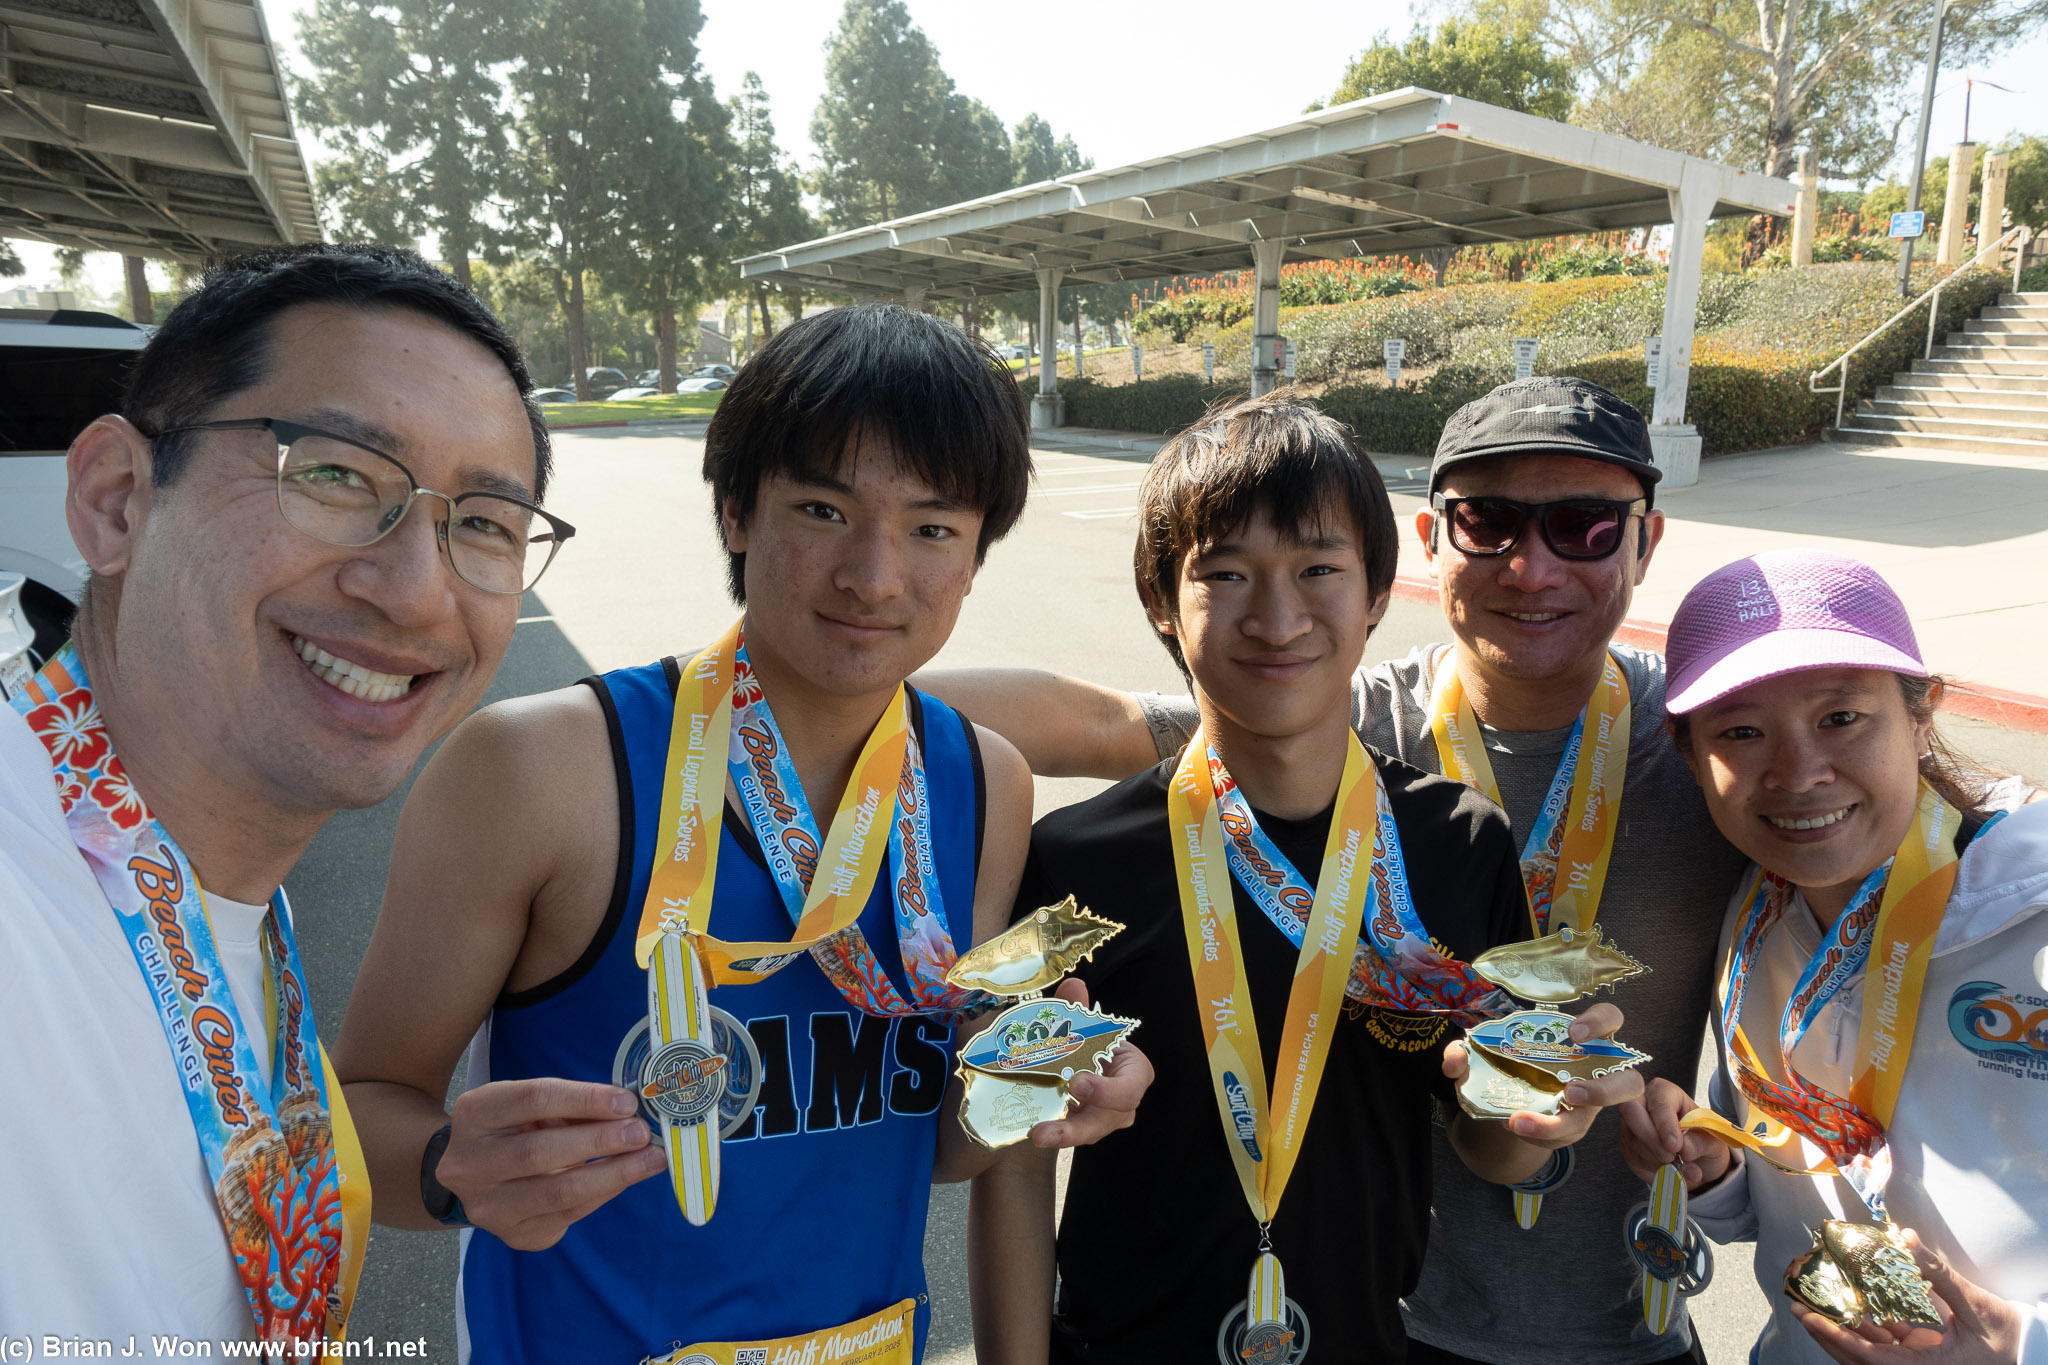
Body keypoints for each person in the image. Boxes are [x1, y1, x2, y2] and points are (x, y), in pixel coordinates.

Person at [331, 303, 1151, 1365]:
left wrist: (1031, 1089)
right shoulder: (538, 770)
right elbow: (355, 1108)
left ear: (976, 553)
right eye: (821, 509)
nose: (873, 576)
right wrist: (447, 1169)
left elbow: (932, 1150)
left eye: (932, 528)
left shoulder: (983, 786)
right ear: (734, 513)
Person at [921, 376, 1748, 1365]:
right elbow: (1009, 1158)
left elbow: (1486, 1135)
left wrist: (1538, 1109)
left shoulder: (1459, 836)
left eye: (1318, 570)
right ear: (1160, 600)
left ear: (1368, 596)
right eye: (1223, 575)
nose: (1275, 619)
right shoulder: (1075, 859)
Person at [0, 244, 564, 1346]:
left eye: (485, 524)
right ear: (117, 499)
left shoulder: (209, 894)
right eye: (335, 472)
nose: (414, 591)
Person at [1617, 548, 2046, 1365]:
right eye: (1742, 730)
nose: (1798, 772)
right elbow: (1779, 1196)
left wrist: (2021, 1348)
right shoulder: (1756, 914)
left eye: (1840, 717)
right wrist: (1710, 1170)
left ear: (1923, 715)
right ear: (1688, 753)